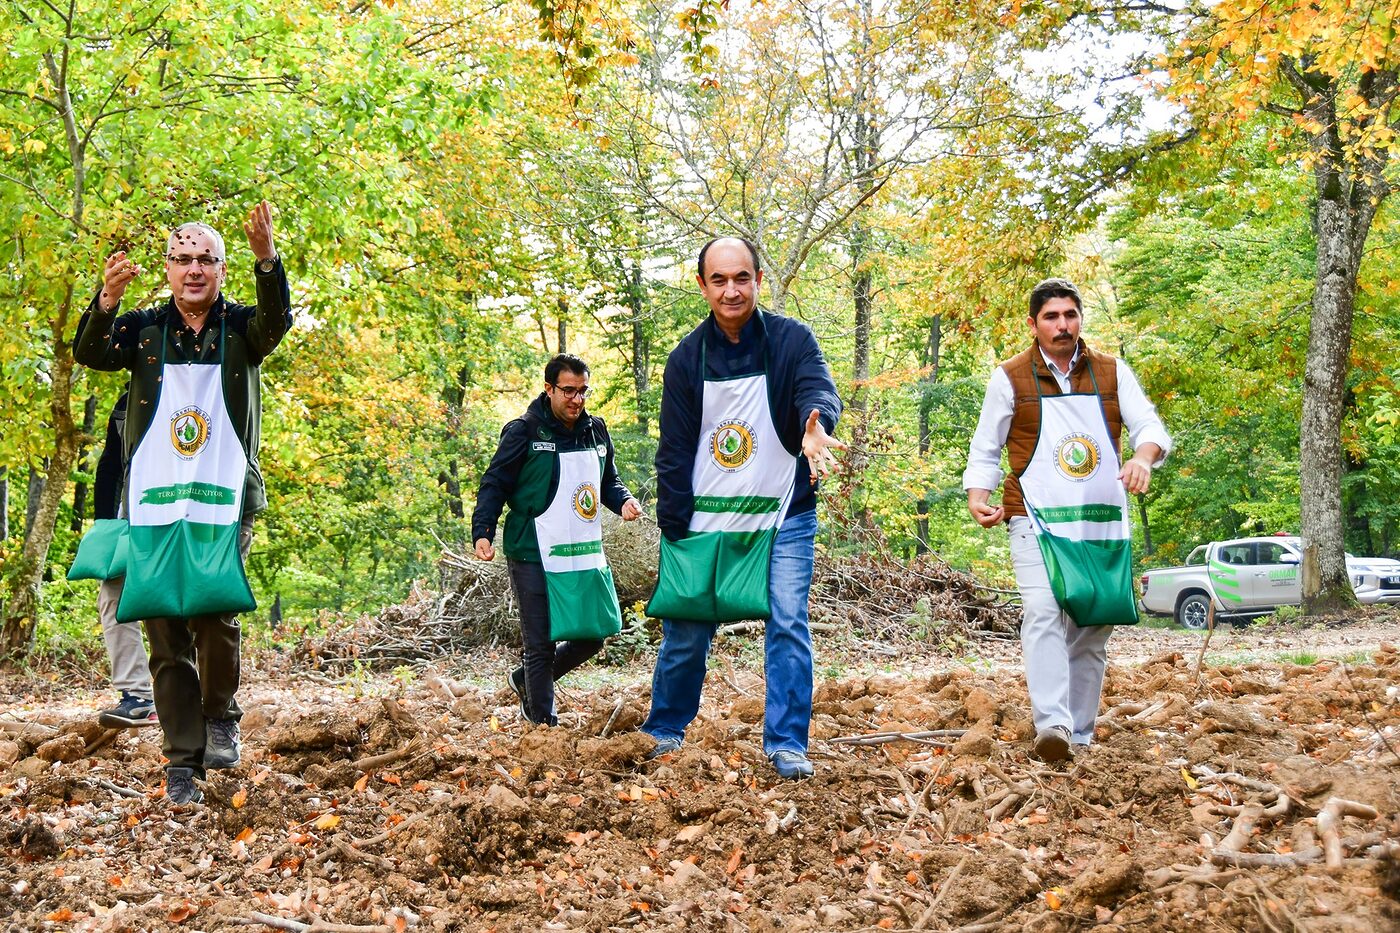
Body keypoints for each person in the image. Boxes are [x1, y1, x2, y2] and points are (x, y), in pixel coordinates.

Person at [73, 203, 291, 805]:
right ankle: (181, 760)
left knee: (214, 613)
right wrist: (107, 299)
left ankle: (221, 715)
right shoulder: (144, 329)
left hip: (224, 501)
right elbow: (90, 353)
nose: (194, 269)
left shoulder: (244, 328)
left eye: (205, 260)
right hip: (155, 503)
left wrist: (267, 258)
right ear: (167, 270)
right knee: (164, 628)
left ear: (222, 270)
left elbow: (279, 321)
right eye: (183, 259)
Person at [642, 237, 844, 781]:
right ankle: (664, 728)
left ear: (758, 280)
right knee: (685, 629)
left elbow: (817, 391)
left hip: (782, 514)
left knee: (787, 621)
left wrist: (817, 425)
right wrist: (674, 525)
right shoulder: (686, 358)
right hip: (705, 518)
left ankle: (785, 743)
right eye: (719, 280)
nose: (731, 290)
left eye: (741, 278)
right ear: (703, 285)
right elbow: (676, 446)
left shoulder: (792, 339)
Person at [963, 278, 1170, 762]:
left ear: (1081, 319)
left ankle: (1079, 733)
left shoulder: (1113, 372)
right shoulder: (1009, 377)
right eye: (1052, 317)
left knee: (1093, 624)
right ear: (1033, 324)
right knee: (1042, 609)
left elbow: (1150, 426)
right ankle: (1051, 725)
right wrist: (979, 495)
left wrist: (1142, 458)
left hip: (1100, 522)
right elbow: (986, 447)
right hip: (1032, 516)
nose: (1063, 325)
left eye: (1070, 315)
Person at [472, 354, 643, 726]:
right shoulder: (524, 431)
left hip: (583, 551)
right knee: (540, 643)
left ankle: (524, 682)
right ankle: (543, 727)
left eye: (583, 391)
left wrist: (625, 500)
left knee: (594, 633)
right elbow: (494, 483)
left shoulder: (596, 429)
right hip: (532, 550)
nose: (577, 400)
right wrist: (483, 531)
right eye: (568, 391)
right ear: (548, 388)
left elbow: (607, 481)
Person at [91, 391, 158, 729]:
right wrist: (104, 528)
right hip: (134, 520)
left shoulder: (207, 380)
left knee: (194, 608)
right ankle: (138, 698)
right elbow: (109, 467)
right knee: (113, 592)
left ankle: (204, 703)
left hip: (196, 518)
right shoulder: (127, 401)